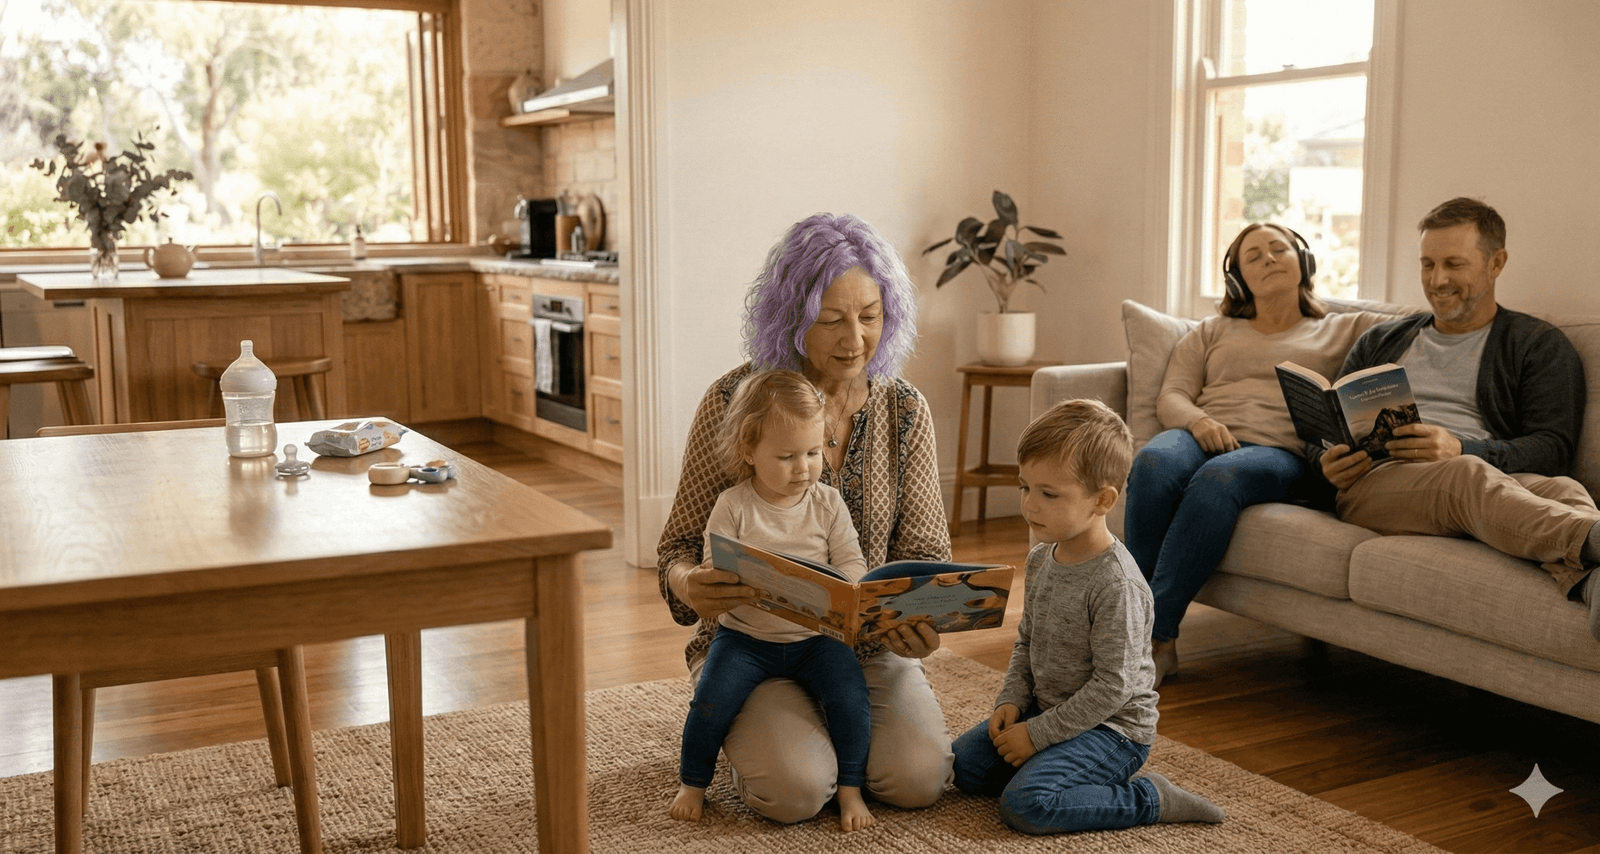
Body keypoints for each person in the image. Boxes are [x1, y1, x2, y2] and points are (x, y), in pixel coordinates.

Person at [656, 212, 954, 824]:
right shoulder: (732, 401)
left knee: (918, 780)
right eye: (831, 318)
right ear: (792, 318)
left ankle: (819, 728)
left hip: (864, 647)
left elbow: (927, 554)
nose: (855, 338)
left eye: (870, 316)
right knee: (795, 792)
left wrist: (922, 620)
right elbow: (677, 547)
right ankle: (756, 730)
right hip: (751, 643)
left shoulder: (905, 410)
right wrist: (690, 584)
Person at [1317, 197, 1600, 643]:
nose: (1437, 280)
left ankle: (1592, 583)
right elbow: (1324, 426)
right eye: (1427, 264)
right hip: (1378, 484)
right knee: (1464, 474)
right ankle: (1591, 539)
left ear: (1496, 263)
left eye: (1453, 264)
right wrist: (1325, 462)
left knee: (1564, 489)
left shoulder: (1537, 344)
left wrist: (1461, 447)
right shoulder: (1379, 341)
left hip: (1483, 473)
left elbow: (1554, 448)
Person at [1124, 223, 1393, 685]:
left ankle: (1156, 639)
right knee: (1153, 462)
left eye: (1278, 249)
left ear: (1303, 261)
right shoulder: (1212, 330)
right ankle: (1126, 624)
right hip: (1202, 433)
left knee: (1218, 478)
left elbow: (1420, 324)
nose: (1268, 258)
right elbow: (1172, 395)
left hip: (1279, 452)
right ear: (1237, 280)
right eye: (1253, 256)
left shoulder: (1347, 327)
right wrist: (1199, 422)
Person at [952, 398, 1224, 834]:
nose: (1030, 505)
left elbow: (1113, 687)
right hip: (1050, 710)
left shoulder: (1117, 584)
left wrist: (1036, 735)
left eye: (1048, 494)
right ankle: (1052, 765)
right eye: (1025, 487)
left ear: (1102, 500)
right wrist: (1011, 700)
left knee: (1026, 806)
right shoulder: (1041, 559)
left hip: (1113, 731)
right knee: (963, 767)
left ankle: (1150, 798)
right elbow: (1027, 643)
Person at [670, 370, 875, 831]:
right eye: (786, 457)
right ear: (749, 451)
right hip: (745, 638)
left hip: (817, 638)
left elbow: (851, 560)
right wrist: (721, 577)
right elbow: (715, 565)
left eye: (813, 453)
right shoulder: (733, 505)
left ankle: (851, 787)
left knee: (851, 697)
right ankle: (693, 782)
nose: (803, 468)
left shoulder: (828, 503)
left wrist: (851, 590)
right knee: (711, 701)